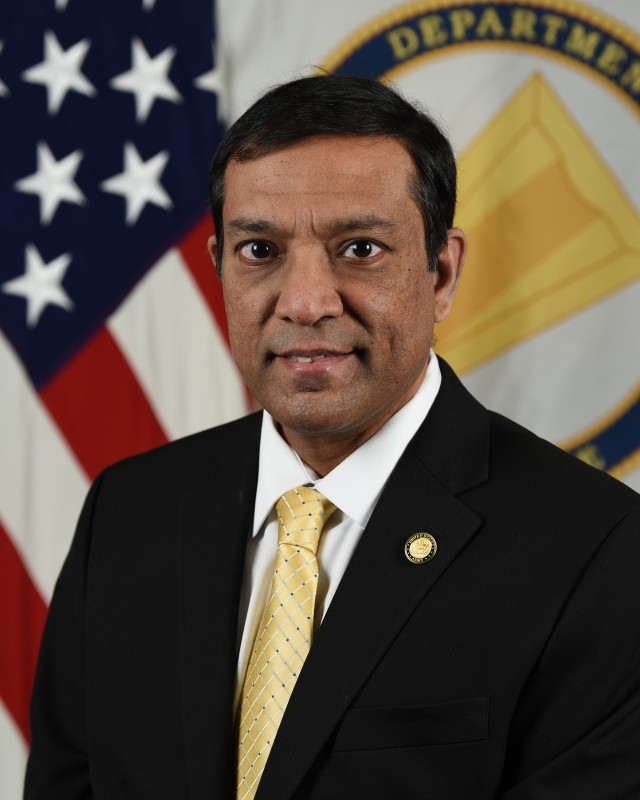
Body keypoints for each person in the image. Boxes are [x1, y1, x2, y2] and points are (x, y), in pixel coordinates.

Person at [25, 74, 640, 800]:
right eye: (261, 250)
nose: (307, 302)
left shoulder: (599, 552)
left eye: (359, 248)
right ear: (219, 267)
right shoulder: (129, 513)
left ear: (441, 273)